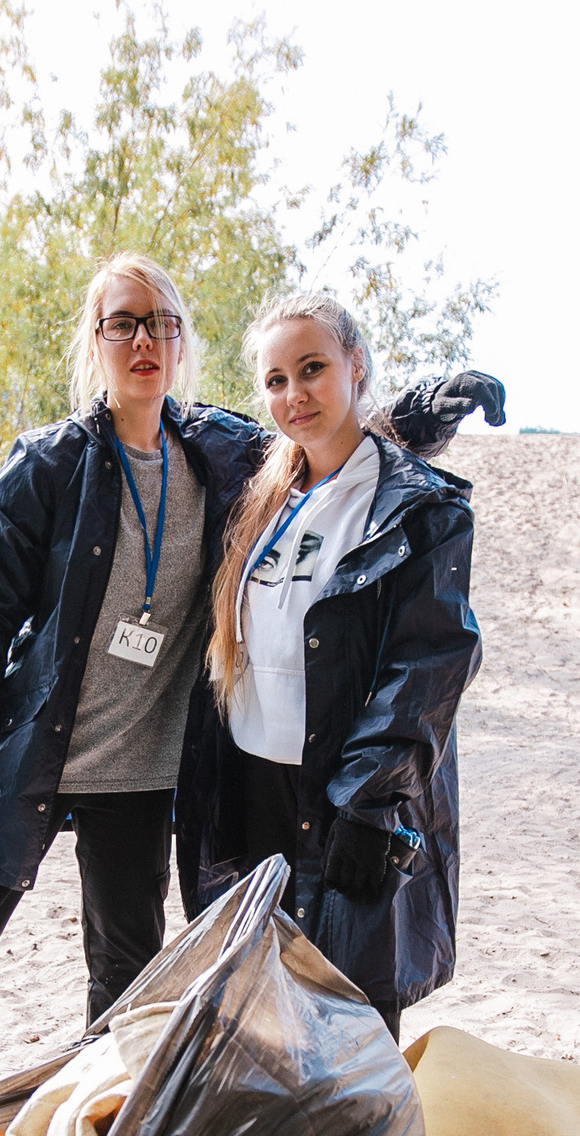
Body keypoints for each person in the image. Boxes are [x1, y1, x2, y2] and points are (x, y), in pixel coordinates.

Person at [0, 255, 502, 1133]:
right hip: (41, 752)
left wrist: (417, 413)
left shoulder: (221, 451)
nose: (144, 339)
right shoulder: (48, 465)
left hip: (143, 770)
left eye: (161, 322)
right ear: (96, 340)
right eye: (123, 322)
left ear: (181, 341)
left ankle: (92, 1128)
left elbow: (324, 435)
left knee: (125, 967)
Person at [175, 292, 482, 1040]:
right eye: (276, 379)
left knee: (348, 1026)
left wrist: (373, 802)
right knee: (257, 1016)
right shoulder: (263, 488)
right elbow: (166, 417)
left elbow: (429, 664)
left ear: (356, 365)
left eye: (312, 369)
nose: (294, 395)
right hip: (250, 793)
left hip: (346, 799)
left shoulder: (418, 508)